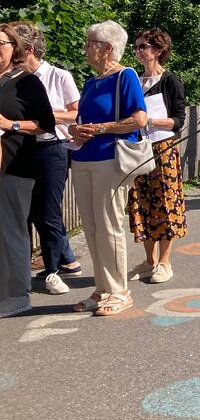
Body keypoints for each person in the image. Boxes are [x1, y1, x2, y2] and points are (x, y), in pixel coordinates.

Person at [67, 21, 148, 316]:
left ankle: (119, 291)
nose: (85, 48)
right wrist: (76, 130)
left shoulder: (125, 76)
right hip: (83, 158)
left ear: (107, 48)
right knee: (91, 226)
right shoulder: (91, 82)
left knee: (109, 225)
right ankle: (102, 289)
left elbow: (139, 119)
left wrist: (101, 128)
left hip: (110, 159)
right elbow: (81, 120)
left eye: (90, 42)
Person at [14, 22, 83, 293]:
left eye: (15, 47)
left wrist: (46, 114)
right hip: (22, 149)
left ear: (29, 49)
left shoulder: (59, 76)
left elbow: (76, 113)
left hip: (53, 148)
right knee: (27, 211)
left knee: (48, 211)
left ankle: (54, 268)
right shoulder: (13, 78)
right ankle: (55, 262)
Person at [0, 24, 56, 317]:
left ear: (14, 48)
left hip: (15, 166)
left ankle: (17, 295)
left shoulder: (26, 81)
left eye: (0, 44)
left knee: (11, 230)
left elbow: (46, 124)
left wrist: (10, 124)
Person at [126, 29, 188, 284]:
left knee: (165, 201)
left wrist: (149, 120)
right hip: (139, 148)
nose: (138, 51)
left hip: (163, 149)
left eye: (143, 47)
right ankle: (149, 261)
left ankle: (165, 261)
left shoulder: (170, 81)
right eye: (137, 47)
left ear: (158, 50)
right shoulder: (134, 80)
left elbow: (178, 120)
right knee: (141, 201)